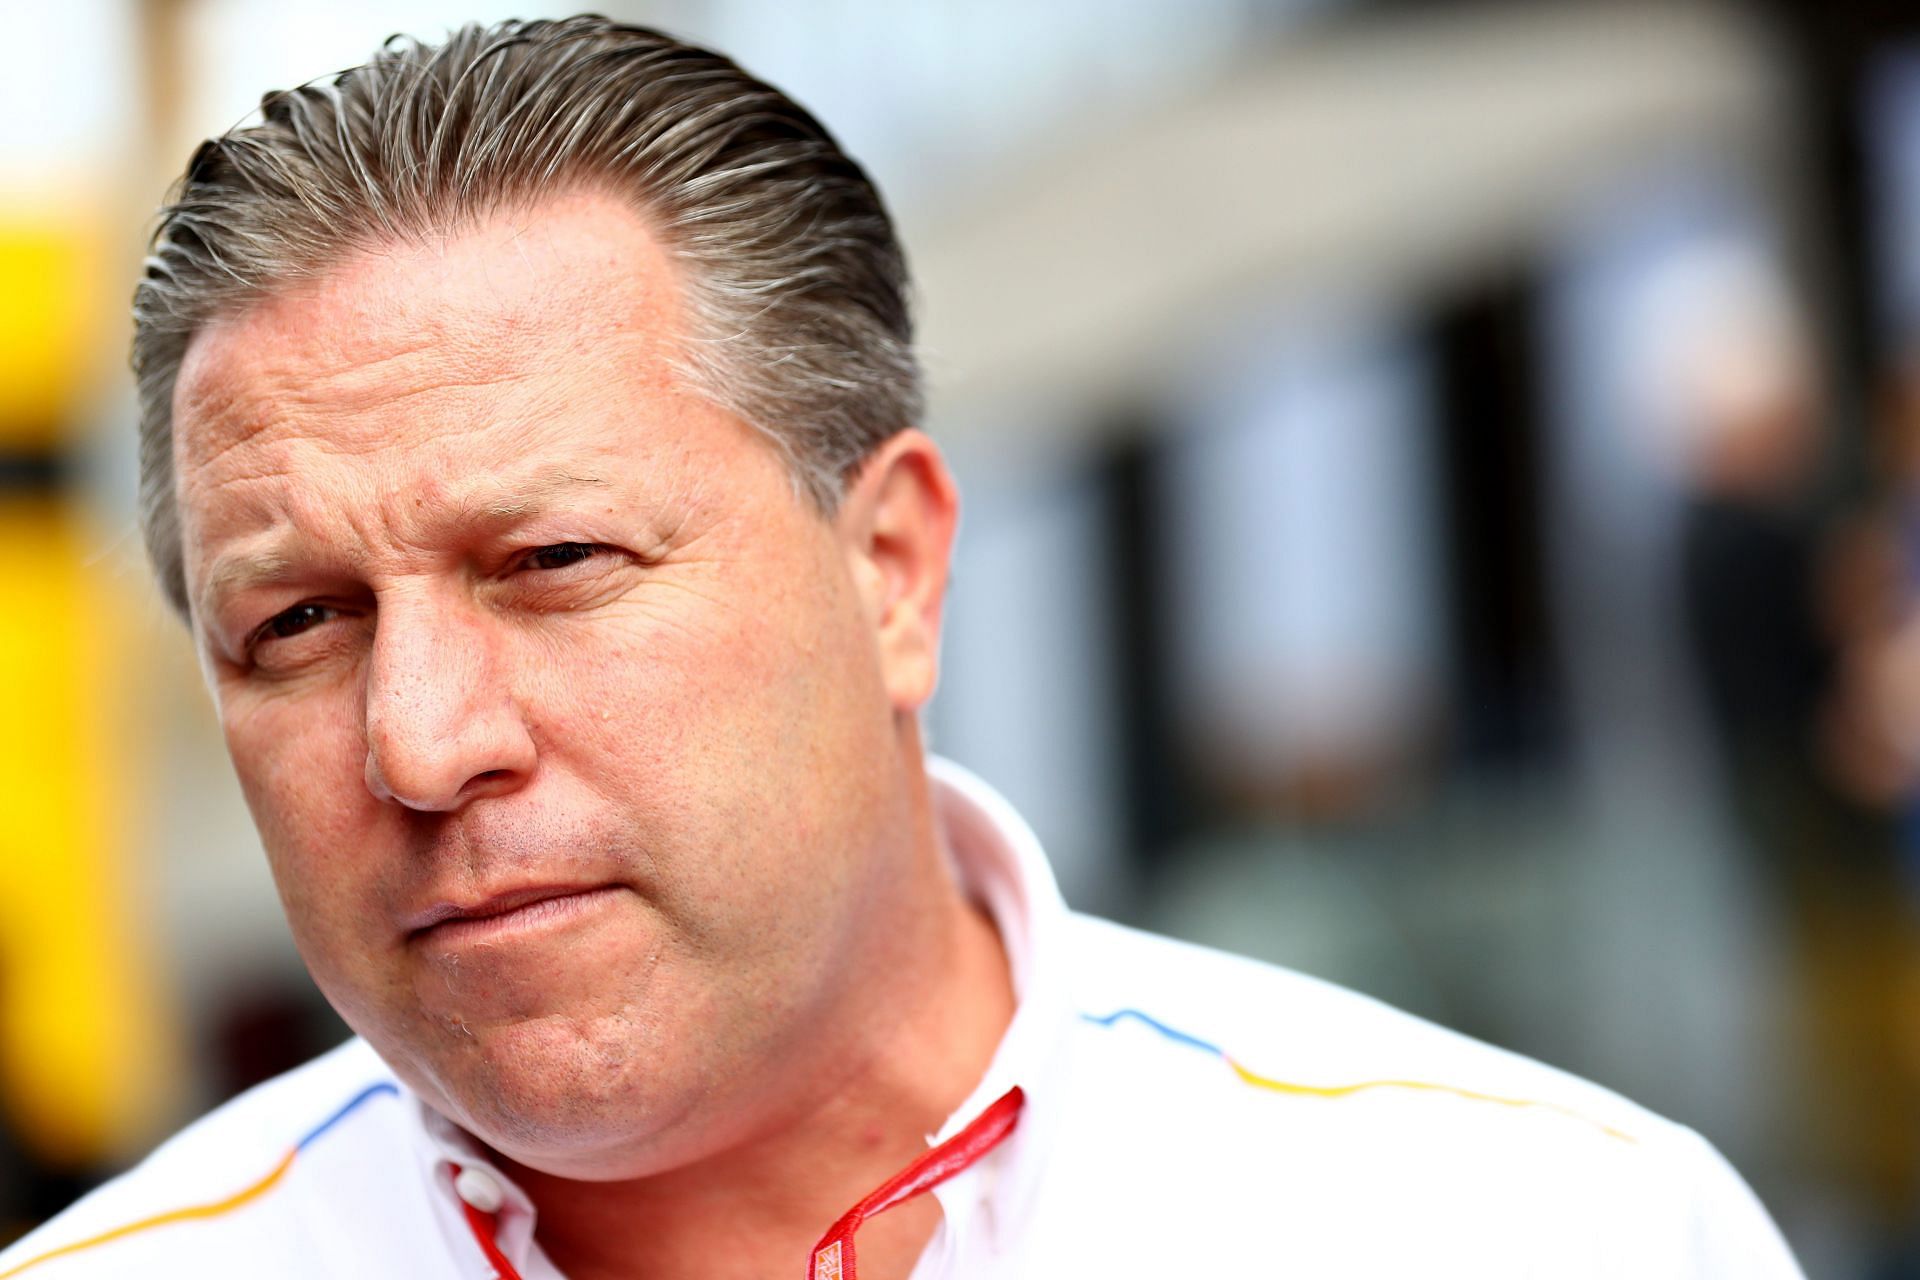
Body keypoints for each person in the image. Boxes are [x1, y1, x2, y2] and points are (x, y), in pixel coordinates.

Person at [0, 17, 1803, 1279]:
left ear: (894, 569)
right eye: (297, 624)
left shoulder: (1532, 1236)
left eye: (551, 560)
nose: (420, 737)